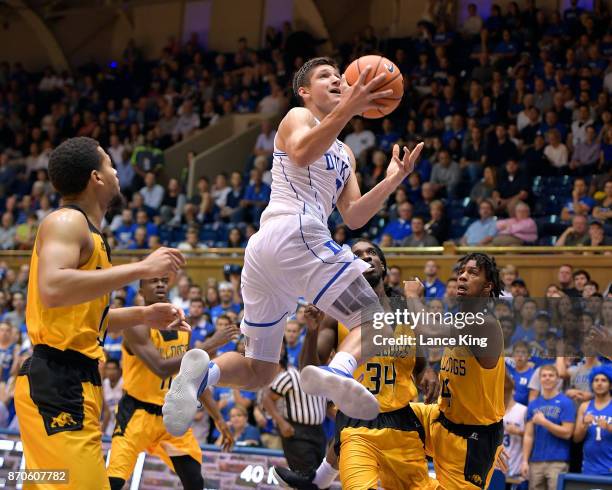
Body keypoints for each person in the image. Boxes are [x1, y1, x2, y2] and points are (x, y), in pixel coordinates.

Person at [163, 57, 425, 435]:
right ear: (305, 91)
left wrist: (393, 180)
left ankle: (203, 375)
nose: (337, 80)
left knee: (259, 370)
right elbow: (301, 152)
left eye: (339, 76)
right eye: (326, 77)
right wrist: (351, 108)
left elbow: (352, 217)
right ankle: (338, 371)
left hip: (268, 254)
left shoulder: (346, 153)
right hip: (295, 232)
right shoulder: (297, 117)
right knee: (379, 320)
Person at [14, 137, 189, 490]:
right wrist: (141, 268)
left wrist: (142, 315)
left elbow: (85, 318)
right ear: (96, 177)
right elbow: (53, 288)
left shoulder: (91, 236)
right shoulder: (66, 221)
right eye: (110, 164)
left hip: (74, 380)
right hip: (57, 382)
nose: (116, 171)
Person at [272, 240, 437, 489]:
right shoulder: (334, 313)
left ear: (383, 264)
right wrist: (312, 331)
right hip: (356, 418)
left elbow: (420, 362)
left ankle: (316, 481)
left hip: (400, 418)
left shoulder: (405, 307)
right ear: (349, 267)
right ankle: (317, 479)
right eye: (358, 254)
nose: (366, 257)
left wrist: (427, 372)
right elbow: (310, 369)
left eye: (372, 252)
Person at [107, 276, 231, 490]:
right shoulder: (135, 324)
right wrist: (209, 345)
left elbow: (191, 374)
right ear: (141, 290)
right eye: (153, 281)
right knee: (113, 483)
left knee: (195, 482)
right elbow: (160, 367)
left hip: (171, 415)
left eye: (164, 280)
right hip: (137, 413)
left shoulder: (182, 325)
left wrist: (219, 419)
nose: (160, 284)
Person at [409, 253, 505, 489]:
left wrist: (411, 296)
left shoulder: (483, 322)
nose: (462, 276)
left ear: (487, 287)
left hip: (472, 441)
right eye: (461, 271)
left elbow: (425, 329)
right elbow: (506, 382)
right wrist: (429, 371)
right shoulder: (461, 318)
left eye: (472, 273)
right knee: (386, 411)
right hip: (441, 418)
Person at [521, 365, 576, 490]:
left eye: (551, 376)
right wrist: (525, 461)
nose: (547, 378)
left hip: (558, 461)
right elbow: (528, 435)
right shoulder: (533, 404)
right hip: (536, 461)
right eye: (544, 376)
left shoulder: (566, 402)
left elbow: (567, 433)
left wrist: (544, 422)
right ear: (539, 379)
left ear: (557, 379)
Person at [573, 365, 612, 476]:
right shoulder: (584, 407)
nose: (599, 383)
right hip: (590, 468)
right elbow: (576, 438)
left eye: (604, 380)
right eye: (596, 380)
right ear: (592, 384)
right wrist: (584, 425)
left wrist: (609, 427)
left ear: (610, 385)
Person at [503, 372, 527, 487]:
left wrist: (519, 432)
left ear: (513, 391)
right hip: (494, 469)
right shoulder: (491, 411)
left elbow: (532, 436)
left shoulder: (522, 410)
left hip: (515, 467)